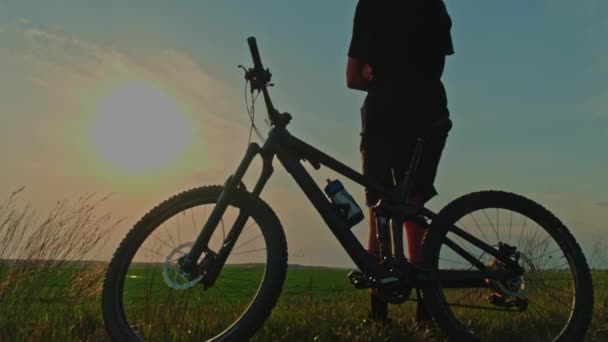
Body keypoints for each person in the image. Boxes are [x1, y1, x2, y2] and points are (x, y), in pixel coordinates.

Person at [346, 0, 455, 326]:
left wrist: (374, 74)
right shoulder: (433, 5)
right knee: (413, 209)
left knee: (379, 209)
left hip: (384, 116)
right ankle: (428, 311)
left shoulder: (371, 5)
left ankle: (378, 315)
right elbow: (433, 68)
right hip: (429, 114)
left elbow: (352, 77)